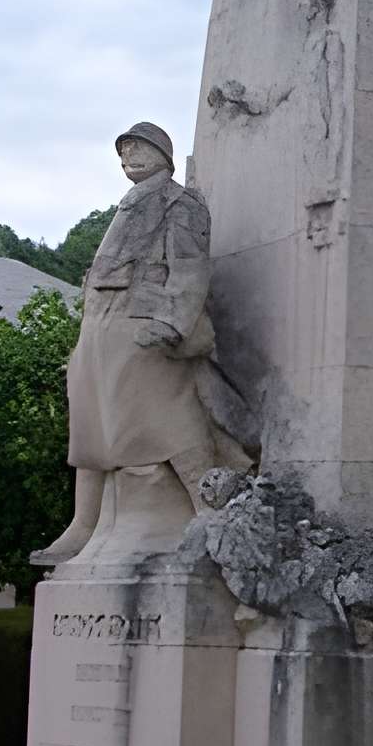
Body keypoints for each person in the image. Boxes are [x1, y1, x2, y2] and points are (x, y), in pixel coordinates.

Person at [33, 122, 222, 568]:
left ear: (164, 154)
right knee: (89, 419)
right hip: (101, 322)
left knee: (168, 413)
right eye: (124, 151)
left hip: (142, 319)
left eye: (139, 148)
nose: (129, 156)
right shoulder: (128, 203)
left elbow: (191, 267)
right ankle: (84, 523)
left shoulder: (181, 200)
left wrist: (172, 323)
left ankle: (209, 510)